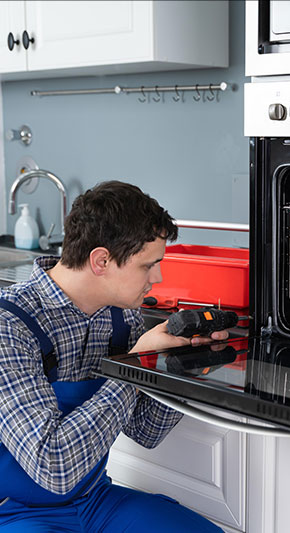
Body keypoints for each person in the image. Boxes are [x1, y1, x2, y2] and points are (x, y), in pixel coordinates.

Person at [0, 181, 227, 532]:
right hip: (14, 511)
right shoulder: (10, 325)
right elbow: (53, 467)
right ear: (101, 261)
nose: (158, 277)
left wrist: (181, 365)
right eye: (148, 266)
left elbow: (145, 430)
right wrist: (134, 366)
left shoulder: (121, 315)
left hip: (94, 500)